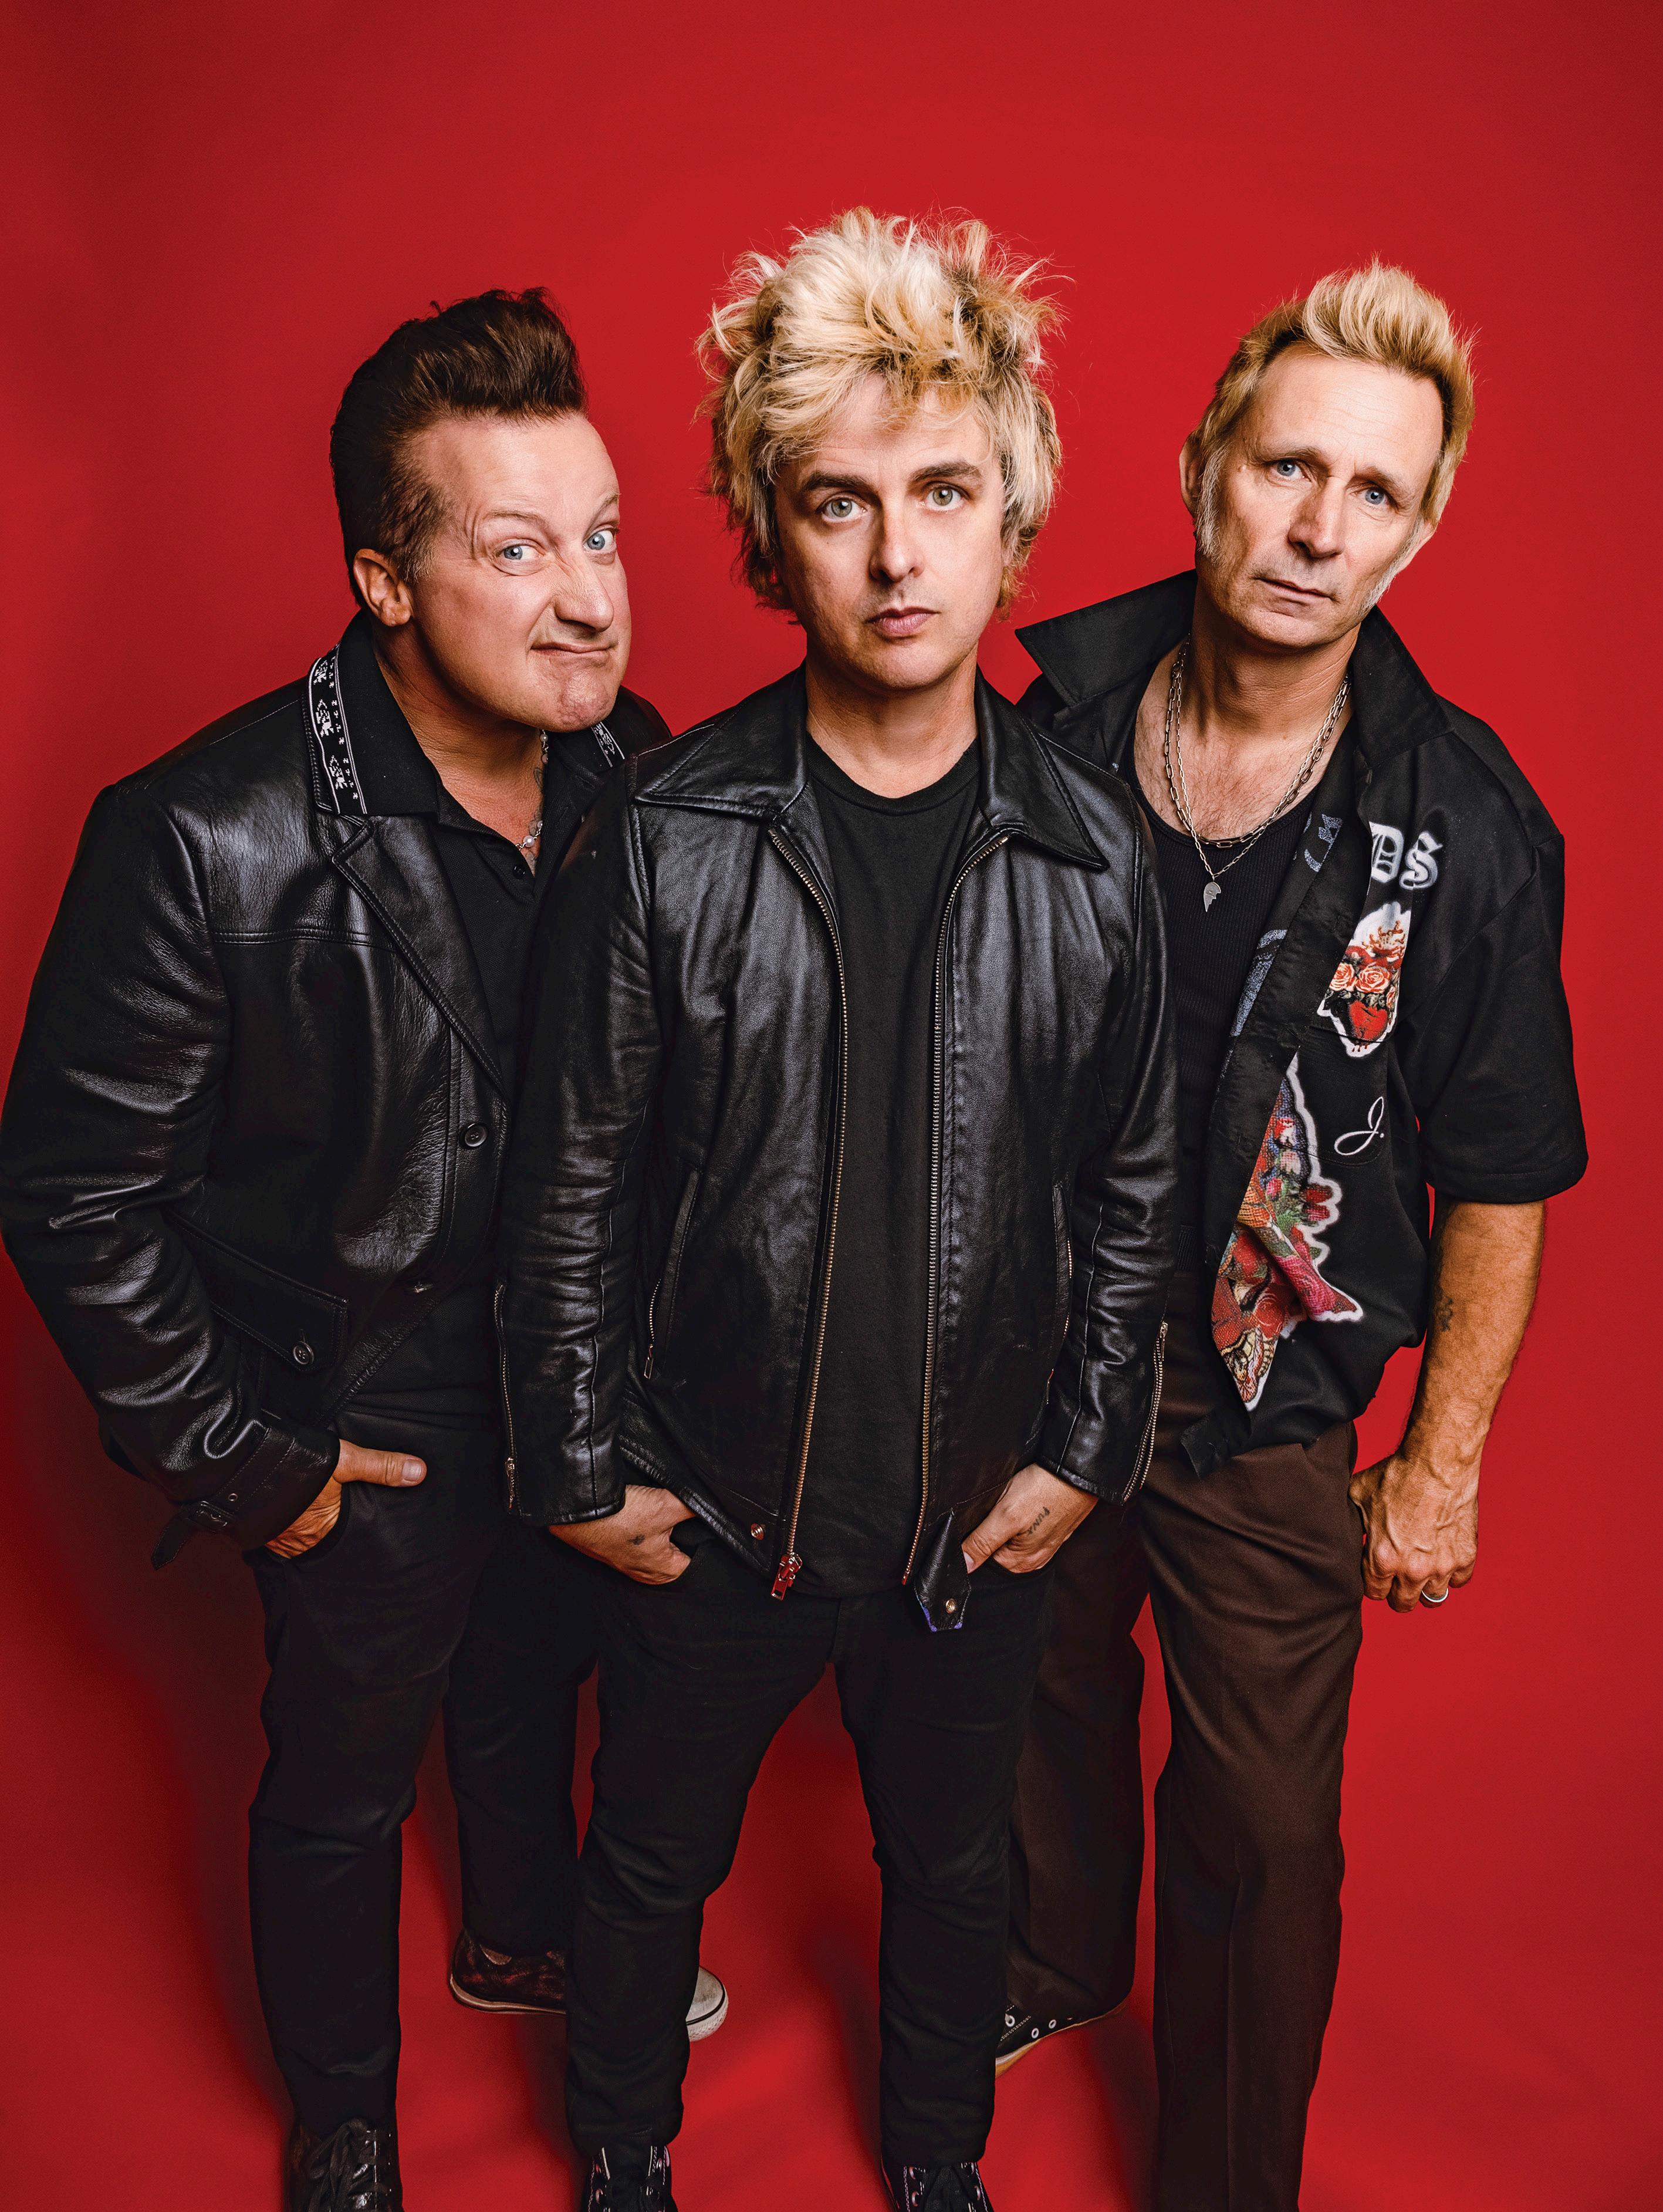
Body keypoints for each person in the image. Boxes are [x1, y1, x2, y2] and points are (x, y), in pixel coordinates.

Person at [0, 289, 724, 2212]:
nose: (587, 600)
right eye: (517, 551)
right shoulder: (200, 834)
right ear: (383, 583)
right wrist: (256, 1459)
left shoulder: (636, 772)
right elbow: (71, 1190)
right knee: (337, 1786)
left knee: (539, 1694)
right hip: (356, 1402)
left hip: (571, 1380)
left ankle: (521, 1938)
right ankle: (344, 2122)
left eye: (601, 536)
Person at [498, 209, 1177, 2212]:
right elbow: (568, 1181)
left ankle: (940, 2162)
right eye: (839, 502)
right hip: (713, 1504)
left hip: (971, 1510)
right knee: (649, 1859)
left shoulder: (1094, 856)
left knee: (955, 1866)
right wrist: (580, 1466)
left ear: (1010, 520)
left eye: (941, 493)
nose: (896, 556)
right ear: (769, 538)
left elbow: (1135, 1185)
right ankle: (621, 2150)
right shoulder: (667, 837)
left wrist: (1083, 1446)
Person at [1001, 264, 1587, 2211]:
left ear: (1414, 533)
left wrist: (1442, 1459)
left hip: (1265, 1392)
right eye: (1286, 469)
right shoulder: (1053, 724)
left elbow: (1501, 1165)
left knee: (1260, 1823)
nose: (1319, 526)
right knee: (1028, 1693)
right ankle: (1051, 1955)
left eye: (1372, 493)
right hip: (1034, 1345)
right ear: (1204, 470)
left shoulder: (1466, 820)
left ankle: (1225, 2178)